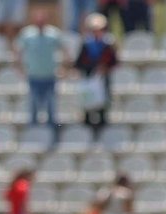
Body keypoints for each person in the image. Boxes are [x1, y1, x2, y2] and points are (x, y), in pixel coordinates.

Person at [17, 8, 63, 144]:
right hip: (34, 76)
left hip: (49, 76)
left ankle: (52, 137)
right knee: (33, 107)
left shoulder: (53, 34)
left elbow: (65, 51)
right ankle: (33, 137)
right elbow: (18, 51)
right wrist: (20, 68)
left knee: (51, 107)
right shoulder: (27, 34)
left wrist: (65, 69)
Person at [72, 14, 115, 132]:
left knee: (103, 103)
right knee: (88, 103)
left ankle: (102, 126)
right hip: (89, 77)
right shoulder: (86, 43)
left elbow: (114, 61)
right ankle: (87, 126)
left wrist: (105, 67)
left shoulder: (108, 43)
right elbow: (79, 62)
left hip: (103, 77)